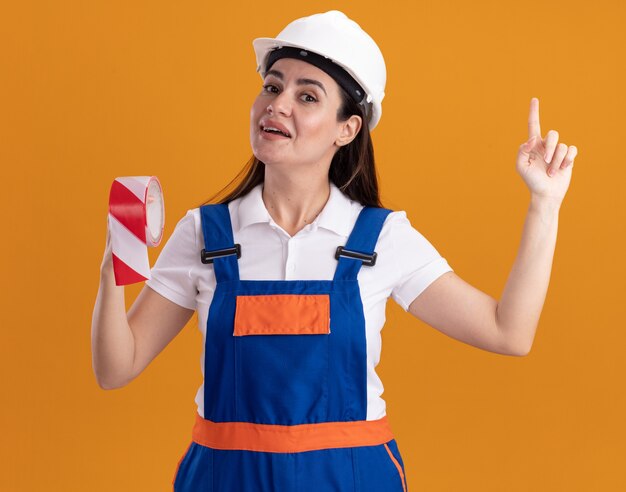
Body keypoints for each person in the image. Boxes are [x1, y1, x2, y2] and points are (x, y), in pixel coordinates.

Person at [91, 10, 578, 492]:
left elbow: (508, 332)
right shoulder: (205, 233)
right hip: (224, 478)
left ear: (347, 129)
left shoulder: (379, 238)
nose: (278, 105)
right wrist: (118, 260)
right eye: (273, 86)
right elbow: (116, 368)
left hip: (350, 479)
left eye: (307, 96)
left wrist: (544, 204)